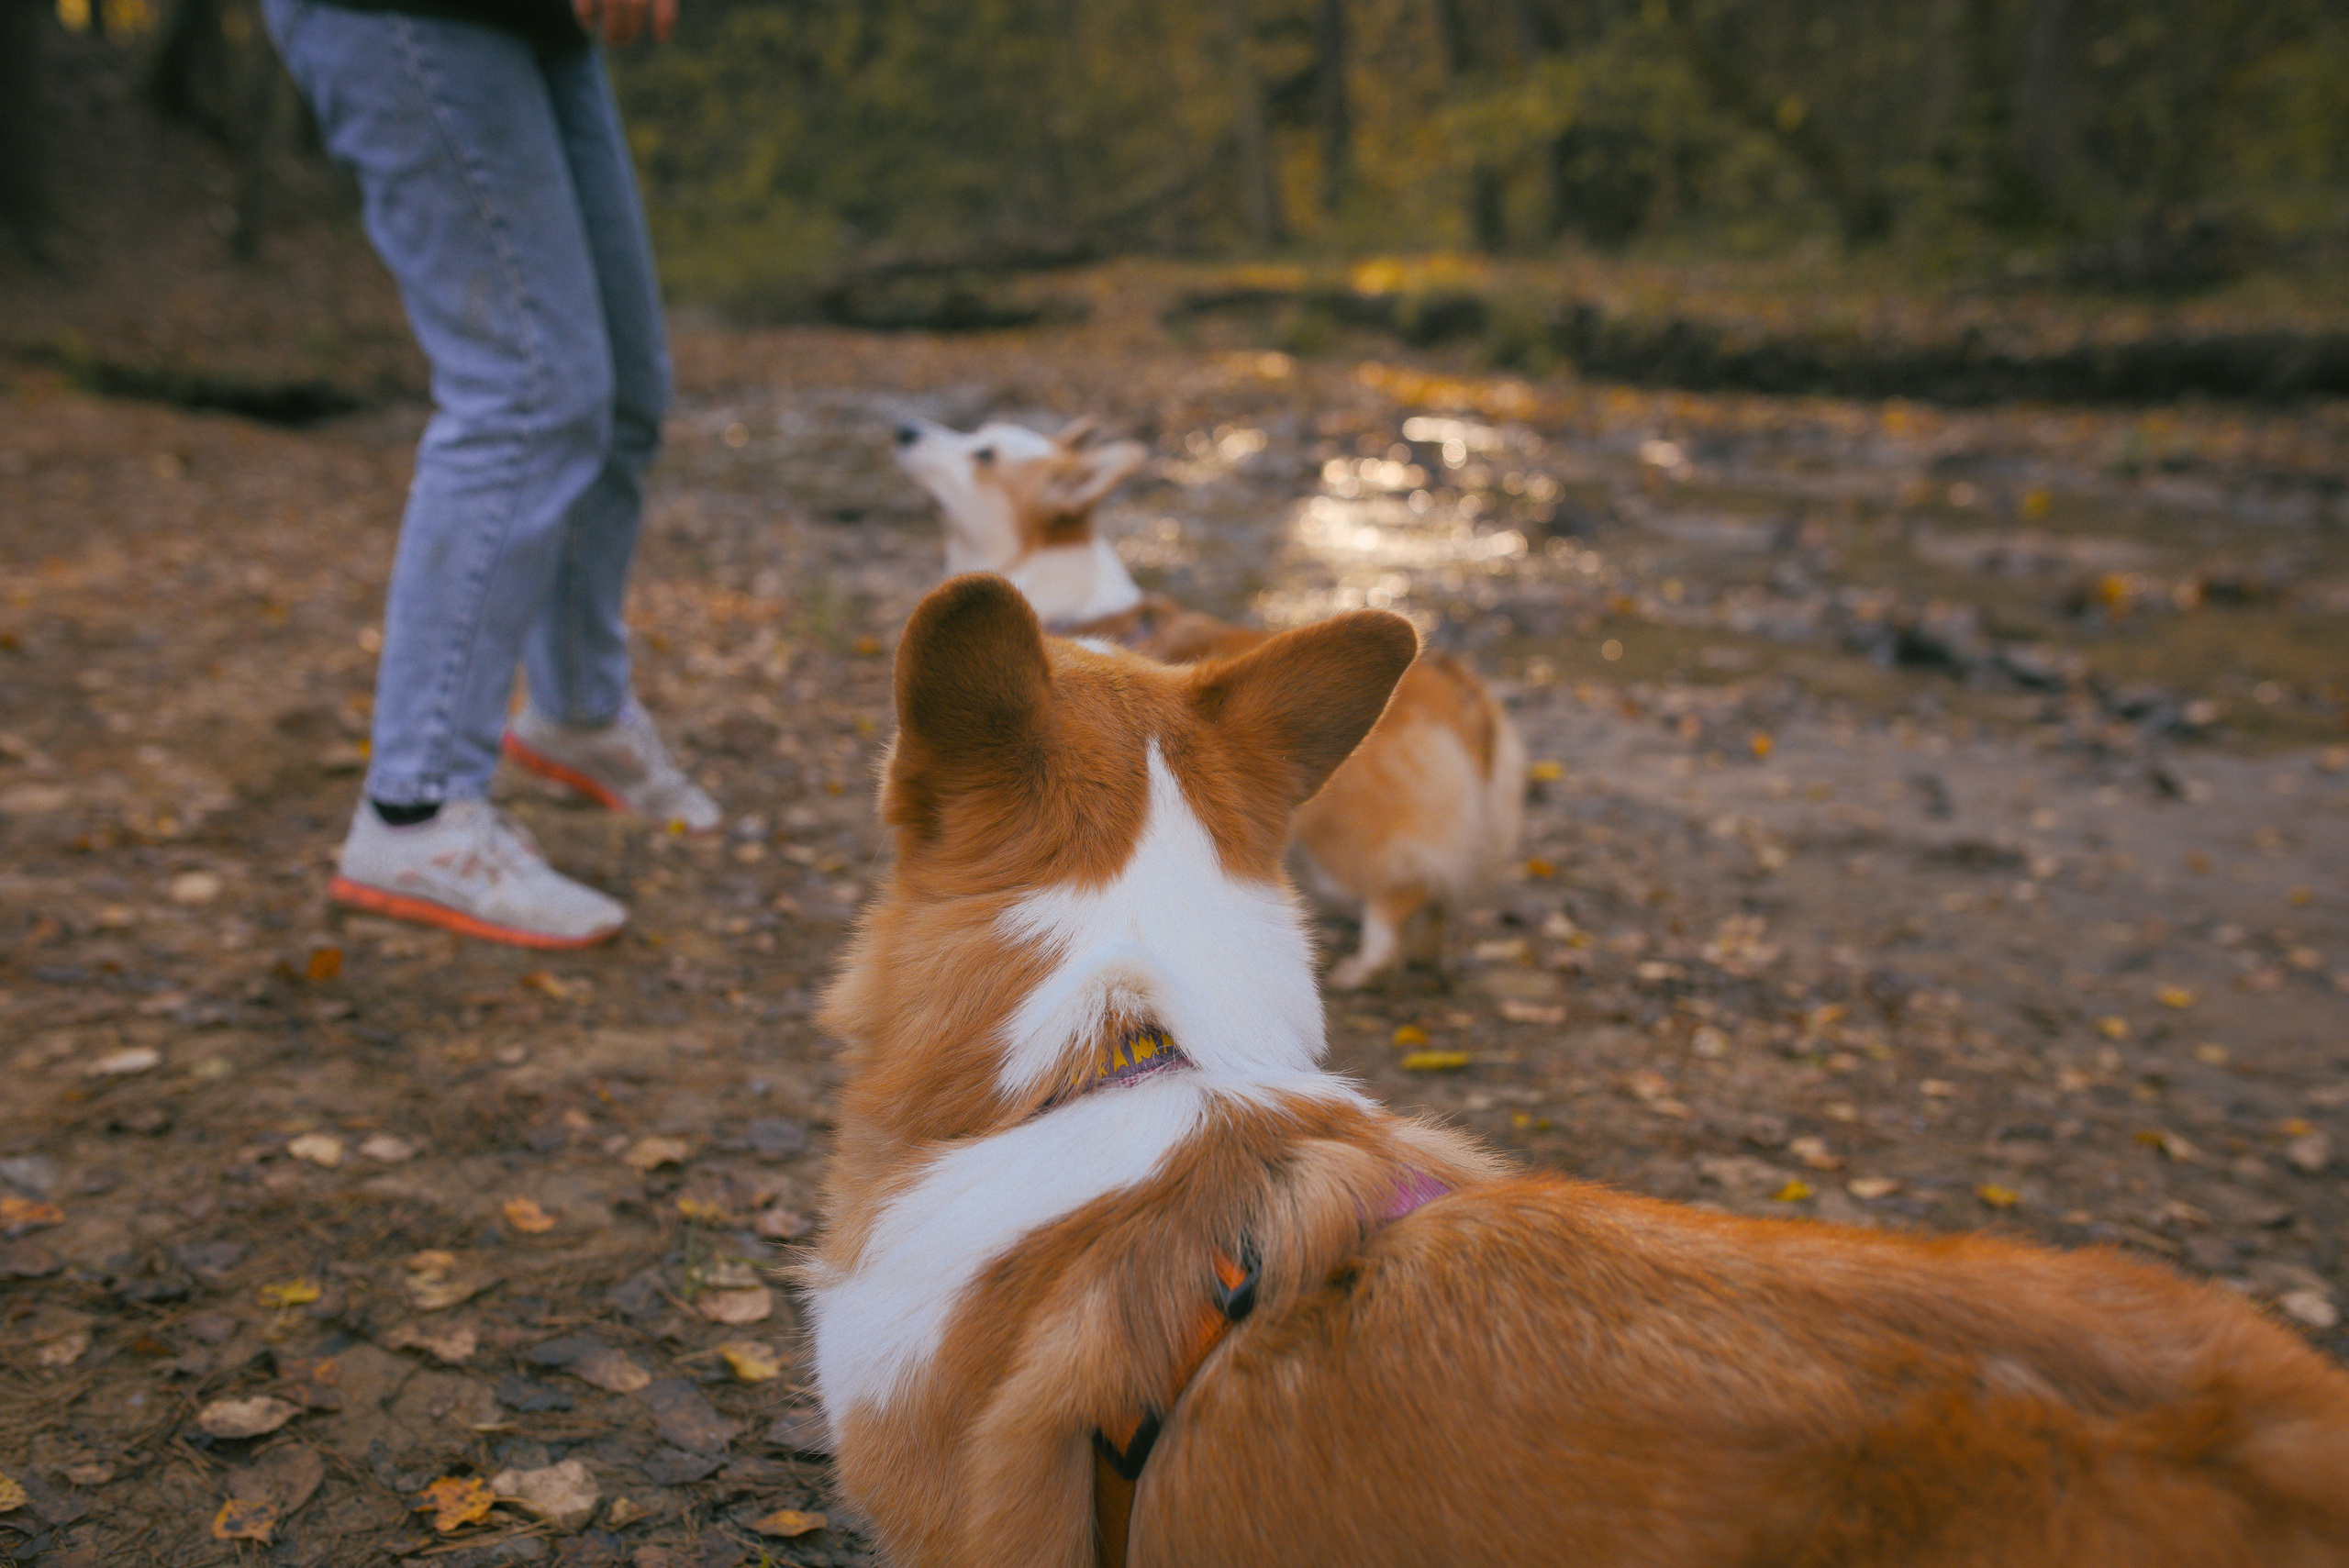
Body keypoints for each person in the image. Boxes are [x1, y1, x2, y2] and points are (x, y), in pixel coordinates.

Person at [262, 0, 714, 948]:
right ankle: (416, 811)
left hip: (537, 22)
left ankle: (578, 715)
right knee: (526, 388)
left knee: (622, 390)